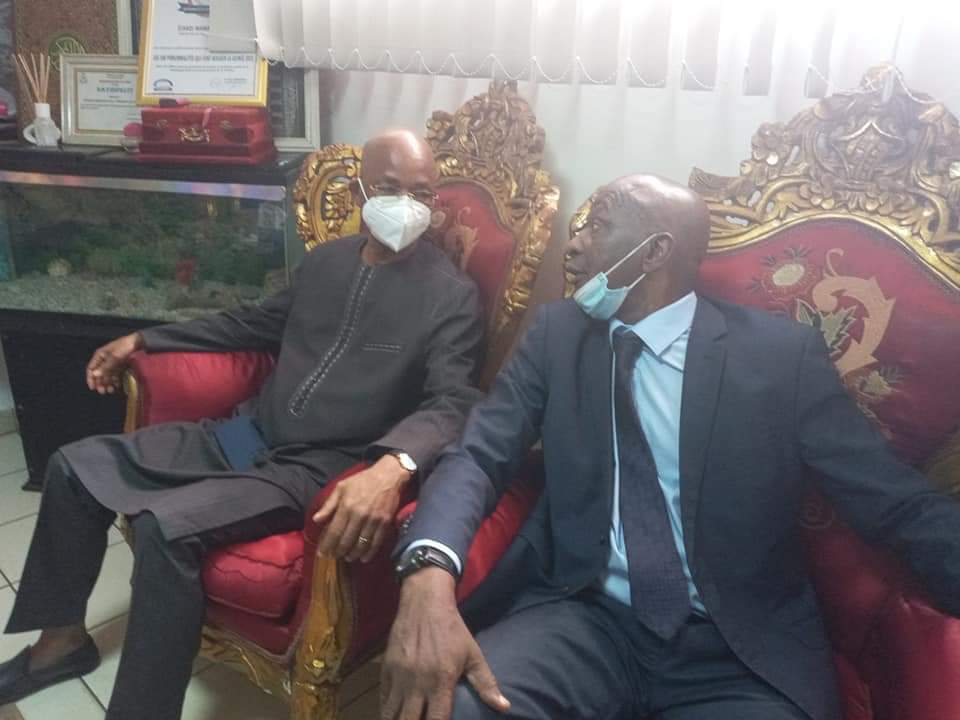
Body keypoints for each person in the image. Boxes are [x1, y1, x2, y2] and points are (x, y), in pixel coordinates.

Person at [380, 174, 960, 720]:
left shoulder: (779, 358)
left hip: (736, 650)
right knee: (457, 707)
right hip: (582, 618)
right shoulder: (557, 335)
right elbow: (480, 455)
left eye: (596, 226)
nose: (573, 245)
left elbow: (892, 499)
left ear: (654, 252)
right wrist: (429, 569)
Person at [0, 129, 485, 719]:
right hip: (243, 433)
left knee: (165, 530)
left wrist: (393, 465)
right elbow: (250, 323)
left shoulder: (450, 295)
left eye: (422, 193)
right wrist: (146, 339)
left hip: (311, 469)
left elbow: (453, 401)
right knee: (74, 468)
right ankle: (61, 643)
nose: (406, 205)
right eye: (389, 188)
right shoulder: (326, 262)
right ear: (359, 190)